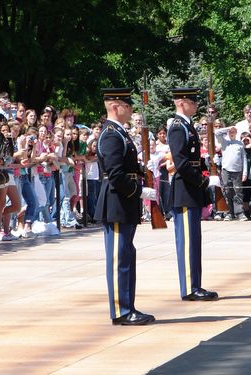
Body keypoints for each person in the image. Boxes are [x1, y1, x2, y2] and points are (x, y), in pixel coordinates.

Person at [94, 88, 156, 325]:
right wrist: (140, 191)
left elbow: (124, 168)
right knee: (119, 257)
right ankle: (121, 311)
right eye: (127, 105)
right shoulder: (111, 134)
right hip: (117, 202)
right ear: (115, 107)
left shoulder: (118, 133)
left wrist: (141, 169)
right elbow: (116, 174)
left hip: (123, 201)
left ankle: (128, 305)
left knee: (127, 254)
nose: (130, 110)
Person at [167, 87, 219, 301]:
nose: (196, 104)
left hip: (192, 189)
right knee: (188, 241)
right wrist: (204, 181)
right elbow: (181, 162)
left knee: (194, 240)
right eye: (192, 100)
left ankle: (195, 284)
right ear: (181, 102)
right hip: (186, 189)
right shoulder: (178, 127)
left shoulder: (187, 125)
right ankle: (190, 287)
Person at [215, 125, 248, 221]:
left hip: (237, 171)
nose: (232, 133)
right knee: (227, 191)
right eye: (230, 132)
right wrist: (228, 128)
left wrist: (245, 173)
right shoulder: (224, 142)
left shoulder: (240, 144)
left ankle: (240, 213)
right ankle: (229, 212)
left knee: (238, 192)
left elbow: (244, 159)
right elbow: (216, 132)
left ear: (236, 133)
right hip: (226, 170)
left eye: (234, 132)